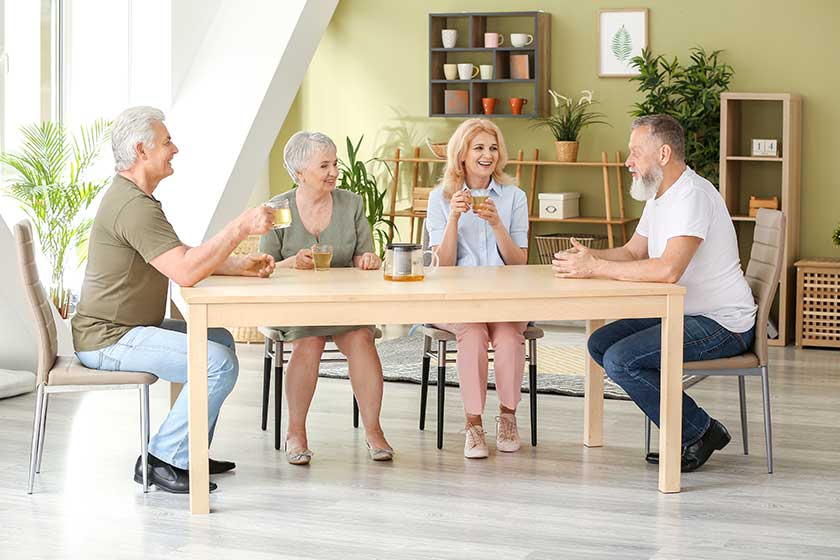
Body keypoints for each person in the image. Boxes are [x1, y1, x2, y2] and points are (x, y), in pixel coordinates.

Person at [73, 106, 277, 493]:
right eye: (167, 142)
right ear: (141, 150)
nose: (175, 149)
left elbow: (175, 253)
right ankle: (163, 458)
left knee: (219, 340)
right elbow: (184, 270)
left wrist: (236, 265)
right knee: (215, 363)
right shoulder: (133, 206)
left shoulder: (134, 198)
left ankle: (189, 449)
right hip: (110, 338)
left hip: (127, 327)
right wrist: (240, 226)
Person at [553, 114, 757, 472]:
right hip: (685, 311)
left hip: (721, 324)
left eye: (635, 152)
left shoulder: (691, 196)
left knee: (622, 360)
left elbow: (667, 270)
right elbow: (634, 253)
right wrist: (588, 257)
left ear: (663, 153)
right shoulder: (660, 194)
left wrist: (596, 269)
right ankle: (692, 429)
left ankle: (699, 430)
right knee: (600, 344)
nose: (627, 161)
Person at [259, 131, 393, 464]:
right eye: (324, 165)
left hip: (344, 305)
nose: (334, 171)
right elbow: (264, 267)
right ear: (300, 172)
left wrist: (367, 260)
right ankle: (296, 434)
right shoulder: (278, 208)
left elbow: (367, 253)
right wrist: (293, 263)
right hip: (298, 308)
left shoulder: (351, 203)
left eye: (335, 163)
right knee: (310, 342)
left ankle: (374, 431)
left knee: (363, 338)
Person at [425, 118, 529, 459]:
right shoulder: (440, 199)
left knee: (509, 337)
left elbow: (519, 262)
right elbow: (442, 264)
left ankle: (508, 418)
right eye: (480, 147)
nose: (488, 155)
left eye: (494, 147)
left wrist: (498, 224)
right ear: (462, 155)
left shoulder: (514, 197)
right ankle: (473, 425)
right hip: (457, 298)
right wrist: (453, 218)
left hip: (504, 297)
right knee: (472, 333)